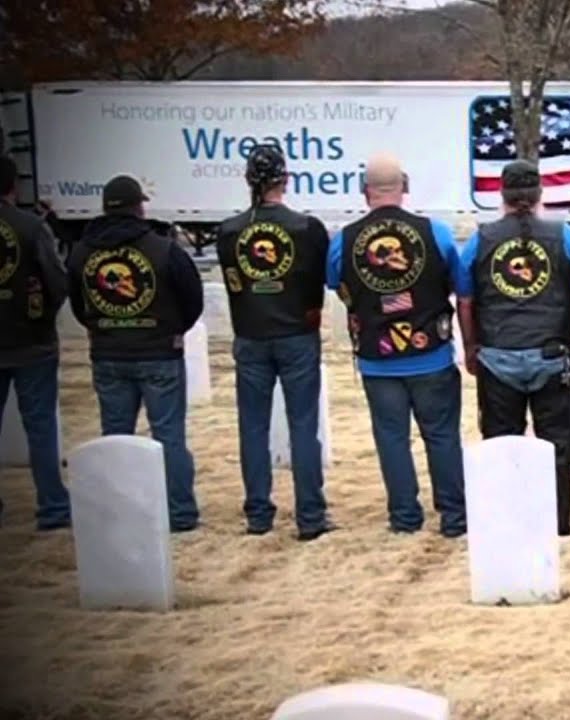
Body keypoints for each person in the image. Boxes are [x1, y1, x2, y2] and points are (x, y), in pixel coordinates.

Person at [456, 160, 570, 538]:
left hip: (497, 357)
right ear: (539, 195)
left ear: (501, 195)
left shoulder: (480, 239)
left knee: (501, 446)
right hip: (551, 356)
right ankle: (558, 524)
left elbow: (465, 300)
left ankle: (507, 523)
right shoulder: (564, 235)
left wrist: (470, 347)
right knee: (557, 447)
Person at [328, 154, 466, 537]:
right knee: (441, 436)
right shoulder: (435, 233)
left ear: (363, 191)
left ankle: (405, 518)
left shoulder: (344, 240)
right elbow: (456, 282)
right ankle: (454, 517)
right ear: (404, 187)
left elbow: (337, 287)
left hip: (377, 360)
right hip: (432, 355)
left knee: (391, 440)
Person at [67, 175, 203, 532]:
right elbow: (192, 300)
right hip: (160, 352)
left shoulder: (82, 252)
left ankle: (119, 512)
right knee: (169, 435)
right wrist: (171, 330)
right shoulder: (164, 248)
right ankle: (180, 514)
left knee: (115, 436)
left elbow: (79, 305)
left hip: (108, 353)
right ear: (139, 206)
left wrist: (105, 327)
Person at [216, 145, 334, 540]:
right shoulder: (306, 228)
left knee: (252, 426)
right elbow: (319, 279)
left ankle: (258, 513)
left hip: (250, 332)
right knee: (303, 426)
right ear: (286, 179)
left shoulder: (229, 231)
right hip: (297, 332)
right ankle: (311, 516)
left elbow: (235, 282)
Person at [0, 155, 71, 531]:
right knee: (41, 427)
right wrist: (43, 318)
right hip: (32, 343)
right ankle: (52, 507)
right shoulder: (30, 227)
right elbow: (57, 281)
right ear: (12, 186)